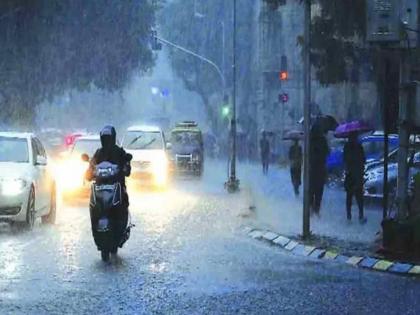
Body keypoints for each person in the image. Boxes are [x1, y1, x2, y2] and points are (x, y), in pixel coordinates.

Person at [85, 126, 132, 245]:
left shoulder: (119, 152)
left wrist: (126, 166)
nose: (106, 140)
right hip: (100, 186)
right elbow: (91, 168)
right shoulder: (98, 153)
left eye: (108, 138)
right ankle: (95, 224)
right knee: (93, 204)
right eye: (104, 138)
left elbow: (127, 169)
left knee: (124, 199)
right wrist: (89, 172)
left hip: (117, 185)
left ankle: (122, 222)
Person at [343, 133, 366, 223]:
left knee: (351, 196)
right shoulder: (358, 147)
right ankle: (359, 215)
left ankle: (351, 215)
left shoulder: (348, 147)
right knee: (357, 196)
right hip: (355, 174)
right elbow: (363, 159)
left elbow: (345, 160)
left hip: (352, 174)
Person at [309, 126, 330, 216]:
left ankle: (311, 210)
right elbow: (327, 153)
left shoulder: (310, 141)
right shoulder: (322, 141)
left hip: (312, 170)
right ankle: (316, 210)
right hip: (320, 169)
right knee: (318, 192)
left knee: (311, 191)